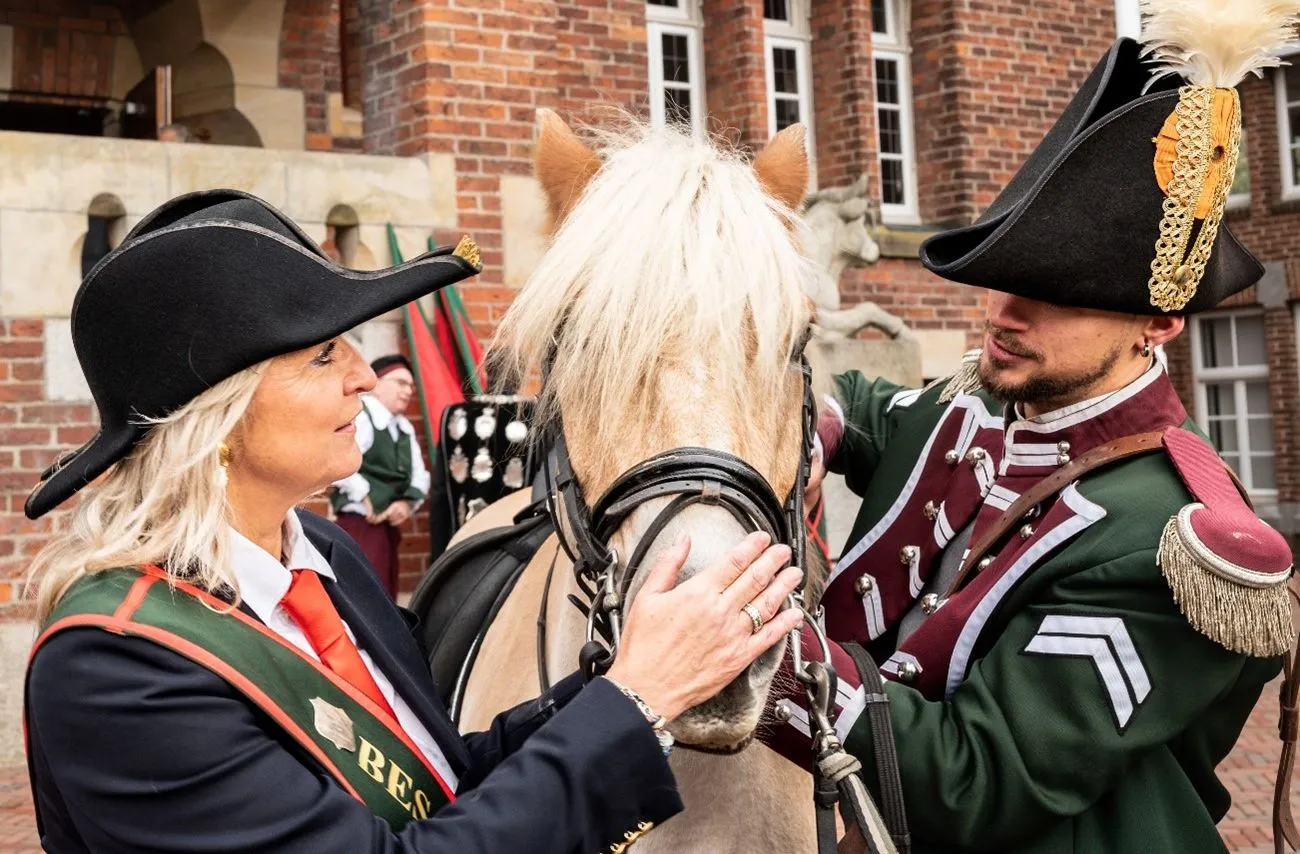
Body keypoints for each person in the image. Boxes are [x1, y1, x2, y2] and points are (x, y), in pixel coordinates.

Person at [21, 189, 804, 853]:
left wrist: (627, 676)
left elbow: (436, 779)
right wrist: (634, 701)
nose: (364, 376)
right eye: (324, 355)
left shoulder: (318, 554)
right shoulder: (116, 668)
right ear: (218, 418)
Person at [764, 14, 1297, 854]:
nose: (1003, 315)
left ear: (1156, 324)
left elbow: (970, 780)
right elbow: (853, 406)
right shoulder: (977, 413)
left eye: (1053, 292)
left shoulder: (1170, 544)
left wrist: (755, 648)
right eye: (1005, 278)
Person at [331, 353, 428, 596]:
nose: (408, 391)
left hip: (386, 528)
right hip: (359, 526)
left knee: (384, 597)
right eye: (401, 383)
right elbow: (336, 462)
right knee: (361, 597)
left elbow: (420, 476)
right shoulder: (361, 418)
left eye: (411, 386)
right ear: (378, 383)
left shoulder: (402, 428)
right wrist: (367, 496)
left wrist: (405, 504)